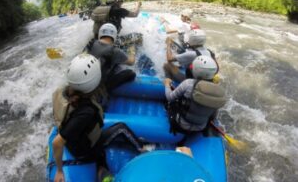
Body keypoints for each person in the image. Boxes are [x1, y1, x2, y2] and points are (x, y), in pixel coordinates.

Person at [52, 54, 145, 182]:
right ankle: (142, 151)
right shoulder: (86, 112)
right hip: (85, 150)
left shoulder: (63, 91)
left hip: (74, 140)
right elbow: (57, 142)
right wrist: (59, 170)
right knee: (121, 128)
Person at [163, 55, 227, 134]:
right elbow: (213, 115)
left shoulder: (188, 83)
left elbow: (169, 97)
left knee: (170, 104)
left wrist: (167, 84)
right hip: (201, 128)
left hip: (181, 125)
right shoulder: (217, 90)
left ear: (196, 70)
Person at [86, 23, 136, 90]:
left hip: (87, 78)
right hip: (101, 84)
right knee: (131, 73)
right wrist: (132, 50)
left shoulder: (91, 43)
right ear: (114, 36)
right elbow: (132, 62)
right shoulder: (116, 51)